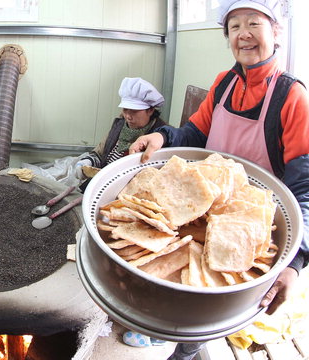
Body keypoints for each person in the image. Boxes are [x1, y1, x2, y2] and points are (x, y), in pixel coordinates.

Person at [128, 1, 309, 359]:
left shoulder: (293, 97)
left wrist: (294, 264)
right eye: (234, 26)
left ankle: (185, 351)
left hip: (250, 230)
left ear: (276, 31)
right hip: (201, 217)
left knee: (202, 316)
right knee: (180, 292)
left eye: (254, 23)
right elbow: (195, 134)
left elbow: (305, 189)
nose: (243, 34)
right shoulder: (224, 83)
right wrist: (162, 137)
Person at [75, 77, 168, 191]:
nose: (128, 116)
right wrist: (88, 161)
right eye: (125, 109)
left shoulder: (160, 136)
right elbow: (101, 153)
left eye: (134, 111)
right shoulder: (120, 124)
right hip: (102, 181)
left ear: (150, 110)